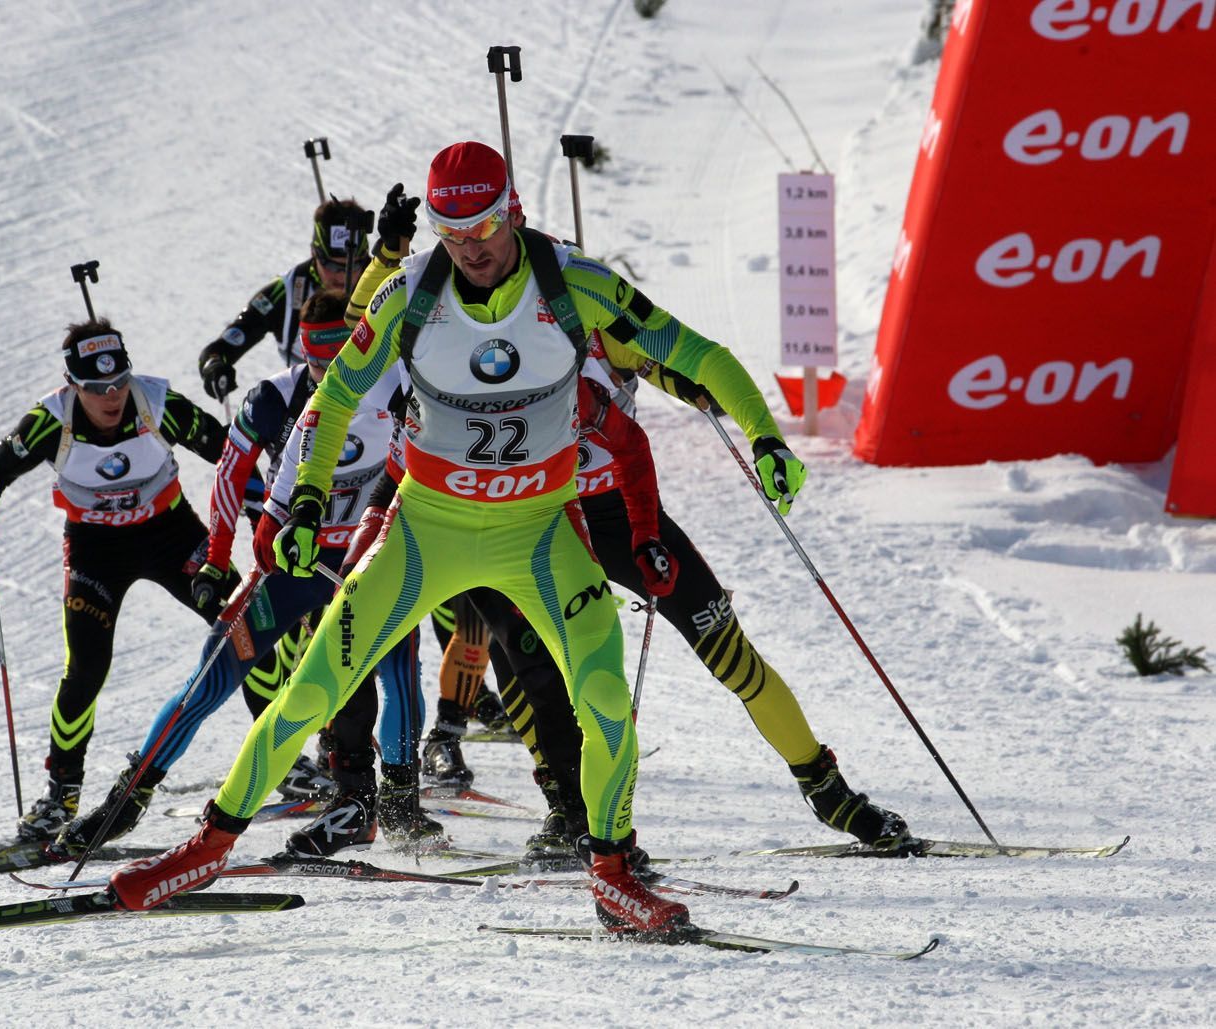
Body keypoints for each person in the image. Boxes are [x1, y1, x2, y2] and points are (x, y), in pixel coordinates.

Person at [109, 140, 795, 937]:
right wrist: (298, 504)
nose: (468, 248)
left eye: (481, 227)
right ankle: (207, 846)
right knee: (314, 688)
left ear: (515, 213)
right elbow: (333, 402)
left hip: (539, 529)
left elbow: (696, 352)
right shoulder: (408, 294)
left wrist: (766, 435)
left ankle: (610, 875)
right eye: (449, 230)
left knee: (604, 694)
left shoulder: (577, 284)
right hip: (426, 530)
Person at [348, 180, 912, 860]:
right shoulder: (469, 327)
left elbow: (673, 368)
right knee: (530, 663)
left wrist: (742, 425)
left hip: (618, 510)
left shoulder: (584, 307)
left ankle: (828, 790)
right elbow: (378, 318)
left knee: (727, 650)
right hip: (529, 517)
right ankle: (569, 810)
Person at [52, 290, 438, 858]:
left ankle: (393, 803)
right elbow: (231, 475)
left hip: (367, 555)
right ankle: (125, 801)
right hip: (292, 564)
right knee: (213, 673)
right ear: (302, 355)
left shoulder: (392, 382)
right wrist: (215, 556)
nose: (333, 378)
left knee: (393, 664)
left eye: (342, 364)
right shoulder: (274, 398)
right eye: (319, 366)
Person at [0, 319, 228, 841]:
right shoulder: (50, 421)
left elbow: (226, 447)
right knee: (85, 667)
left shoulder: (154, 403)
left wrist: (264, 493)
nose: (111, 397)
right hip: (95, 549)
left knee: (245, 623)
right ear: (72, 386)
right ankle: (61, 794)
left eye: (118, 383)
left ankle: (297, 764)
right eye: (96, 389)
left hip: (171, 534)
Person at [197, 198, 372, 400]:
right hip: (313, 406)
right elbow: (224, 345)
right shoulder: (286, 293)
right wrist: (215, 366)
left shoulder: (383, 279)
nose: (343, 276)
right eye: (332, 266)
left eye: (354, 264)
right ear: (314, 253)